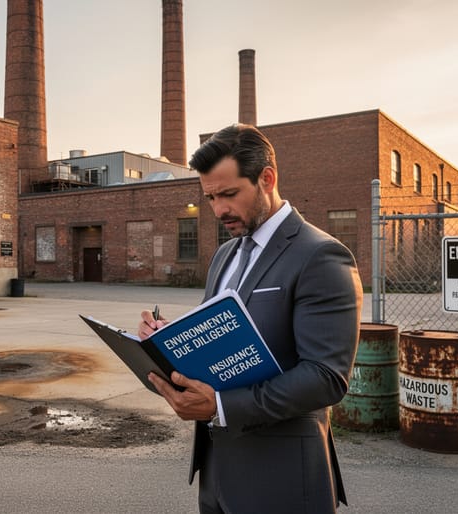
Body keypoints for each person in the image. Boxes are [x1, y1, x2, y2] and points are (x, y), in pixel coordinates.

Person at [139, 124, 362, 513]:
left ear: (267, 179)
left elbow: (326, 377)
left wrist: (221, 407)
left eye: (229, 194)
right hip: (216, 475)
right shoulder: (225, 256)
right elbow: (220, 341)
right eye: (210, 197)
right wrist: (167, 342)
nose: (219, 209)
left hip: (282, 481)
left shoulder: (321, 255)